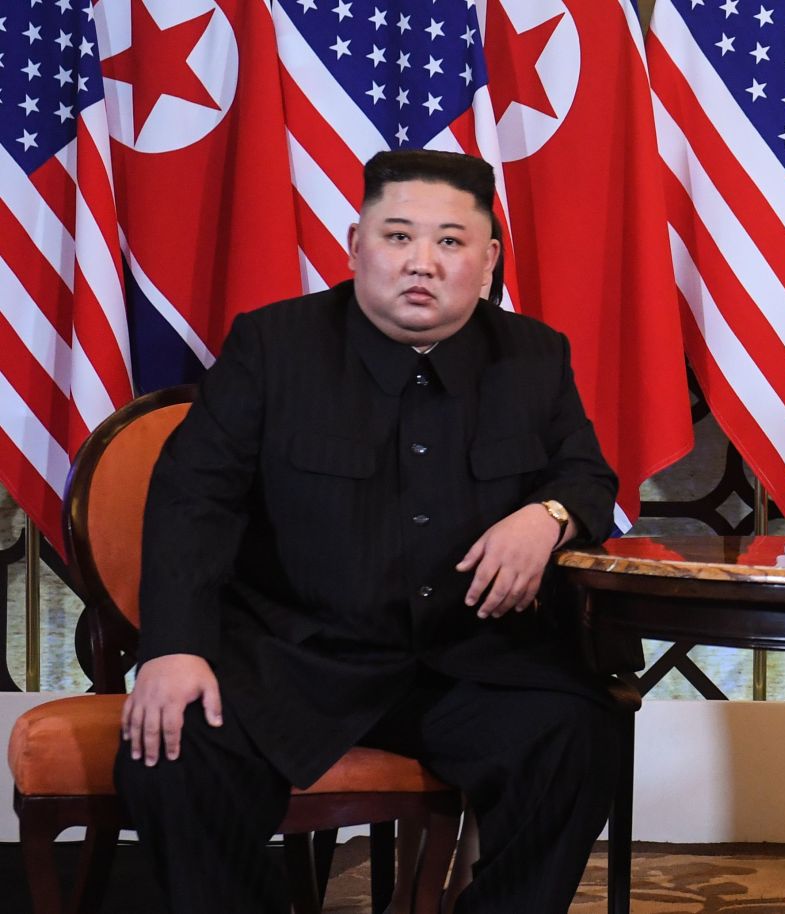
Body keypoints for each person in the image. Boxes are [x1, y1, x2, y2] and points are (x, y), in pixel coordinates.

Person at [115, 149, 622, 913]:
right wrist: (176, 646)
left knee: (579, 736)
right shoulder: (272, 347)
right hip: (299, 658)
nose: (423, 262)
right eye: (398, 237)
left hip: (469, 664)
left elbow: (587, 478)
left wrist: (549, 517)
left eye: (451, 242)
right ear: (356, 244)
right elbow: (195, 499)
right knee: (173, 750)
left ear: (486, 261)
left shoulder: (533, 356)